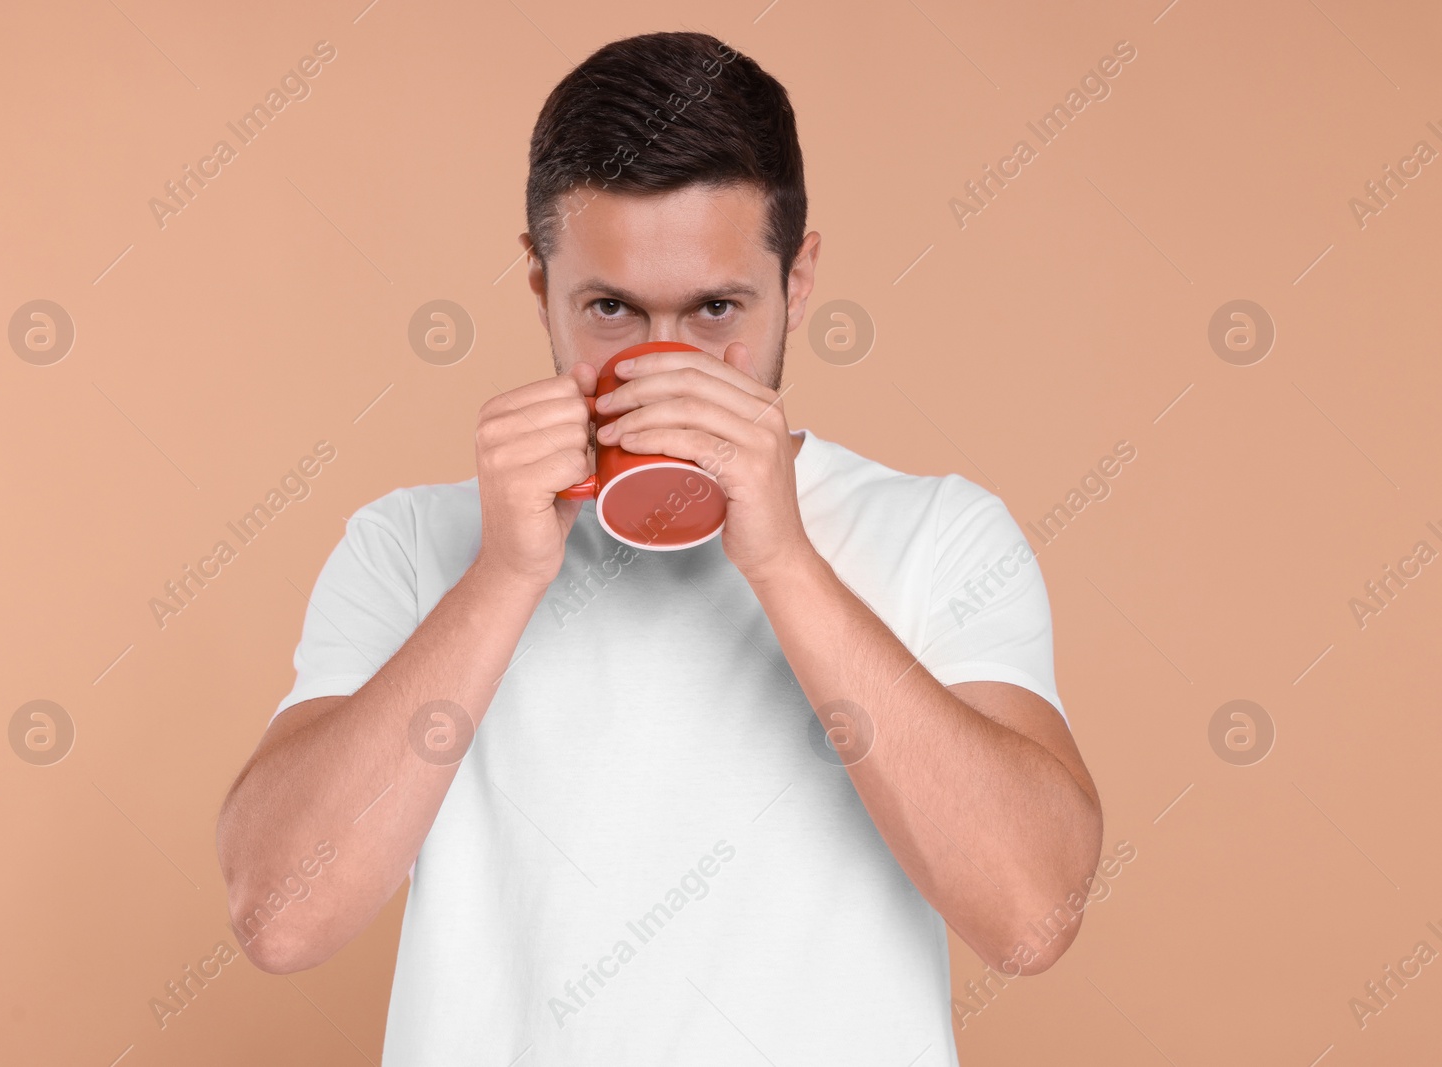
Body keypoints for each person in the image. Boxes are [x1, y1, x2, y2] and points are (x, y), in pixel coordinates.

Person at [216, 30, 1102, 1065]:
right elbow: (279, 915)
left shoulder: (938, 532)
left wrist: (784, 563)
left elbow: (1030, 915)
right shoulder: (413, 543)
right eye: (610, 311)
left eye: (716, 309)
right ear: (538, 283)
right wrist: (504, 574)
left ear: (799, 280)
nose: (663, 365)